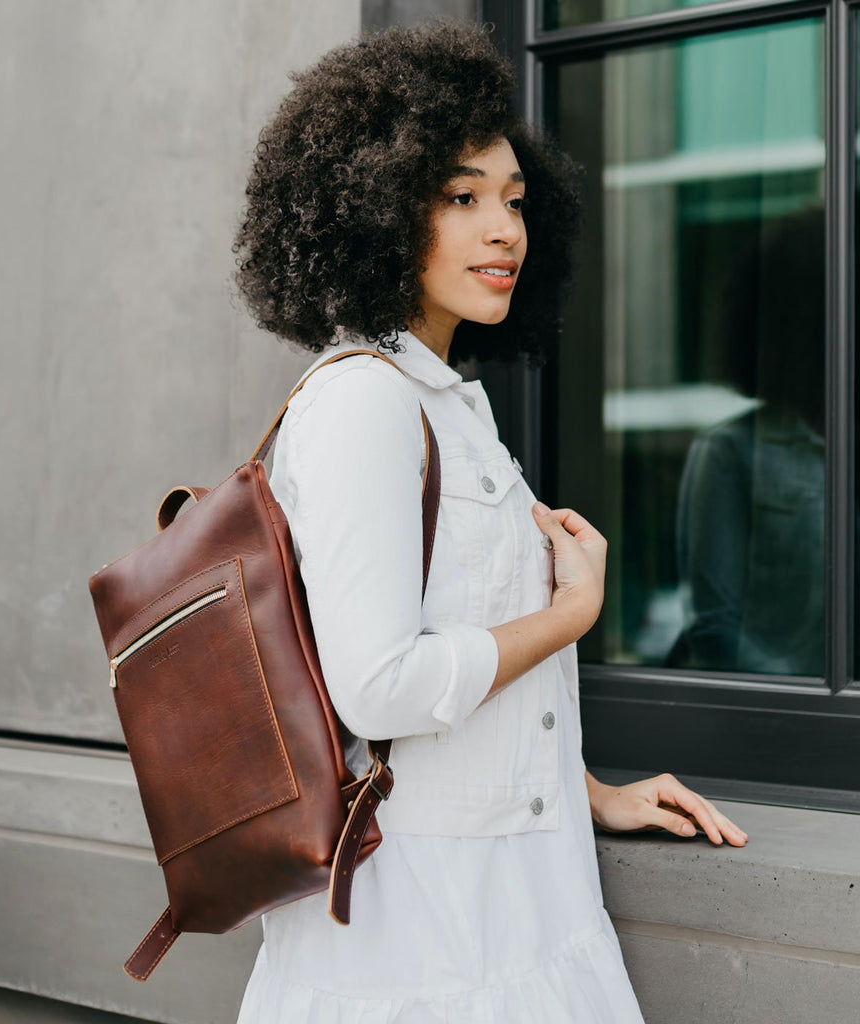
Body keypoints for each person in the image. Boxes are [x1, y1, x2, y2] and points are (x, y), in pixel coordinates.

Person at [232, 21, 747, 1023]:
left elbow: (462, 670)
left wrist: (590, 789)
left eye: (513, 200)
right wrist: (571, 611)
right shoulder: (363, 403)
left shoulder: (443, 401)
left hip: (509, 904)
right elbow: (379, 686)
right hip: (415, 936)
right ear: (375, 210)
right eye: (460, 198)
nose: (503, 229)